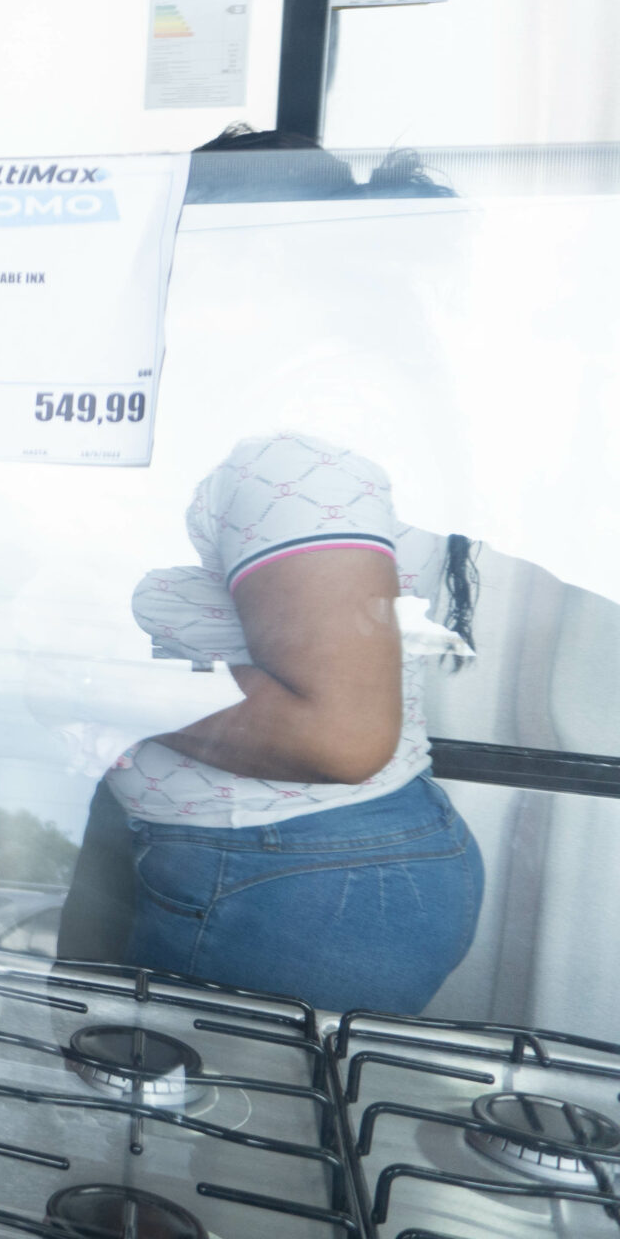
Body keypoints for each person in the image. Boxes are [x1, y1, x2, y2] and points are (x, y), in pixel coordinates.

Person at [88, 433, 485, 1013]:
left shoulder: (291, 461)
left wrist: (90, 680)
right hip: (282, 864)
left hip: (285, 873)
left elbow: (340, 737)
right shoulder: (266, 459)